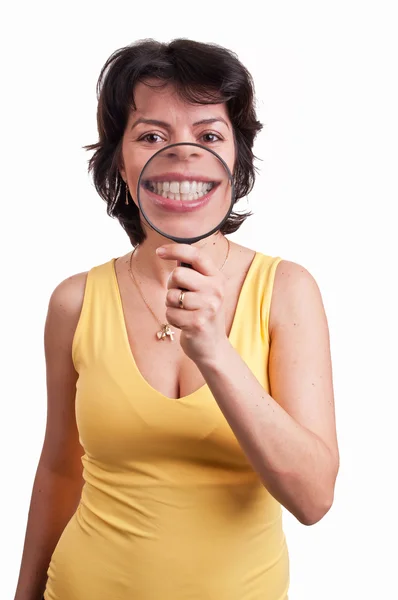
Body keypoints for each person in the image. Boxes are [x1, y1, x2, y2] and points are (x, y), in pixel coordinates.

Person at [14, 38, 339, 600]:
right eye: (151, 136)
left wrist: (215, 350)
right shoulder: (74, 301)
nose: (182, 154)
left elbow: (313, 498)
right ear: (120, 159)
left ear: (237, 159)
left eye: (209, 135)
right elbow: (61, 472)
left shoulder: (287, 291)